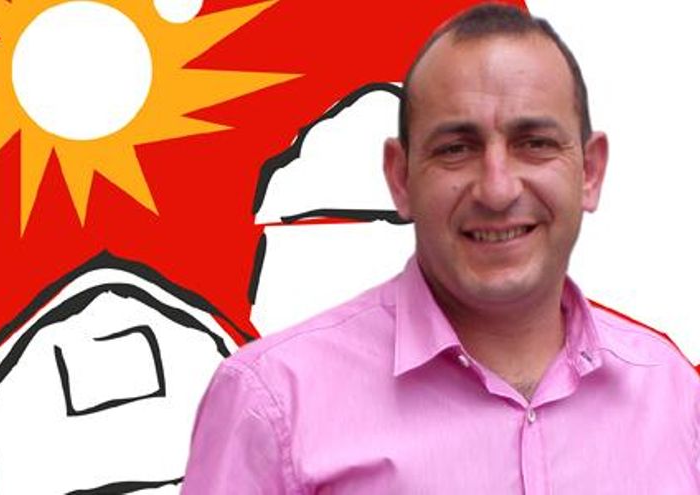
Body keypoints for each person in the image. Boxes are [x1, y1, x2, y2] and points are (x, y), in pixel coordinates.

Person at [182, 3, 700, 493]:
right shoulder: (272, 402)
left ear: (590, 171)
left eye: (534, 143)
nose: (497, 190)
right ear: (400, 178)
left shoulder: (674, 394)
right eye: (456, 149)